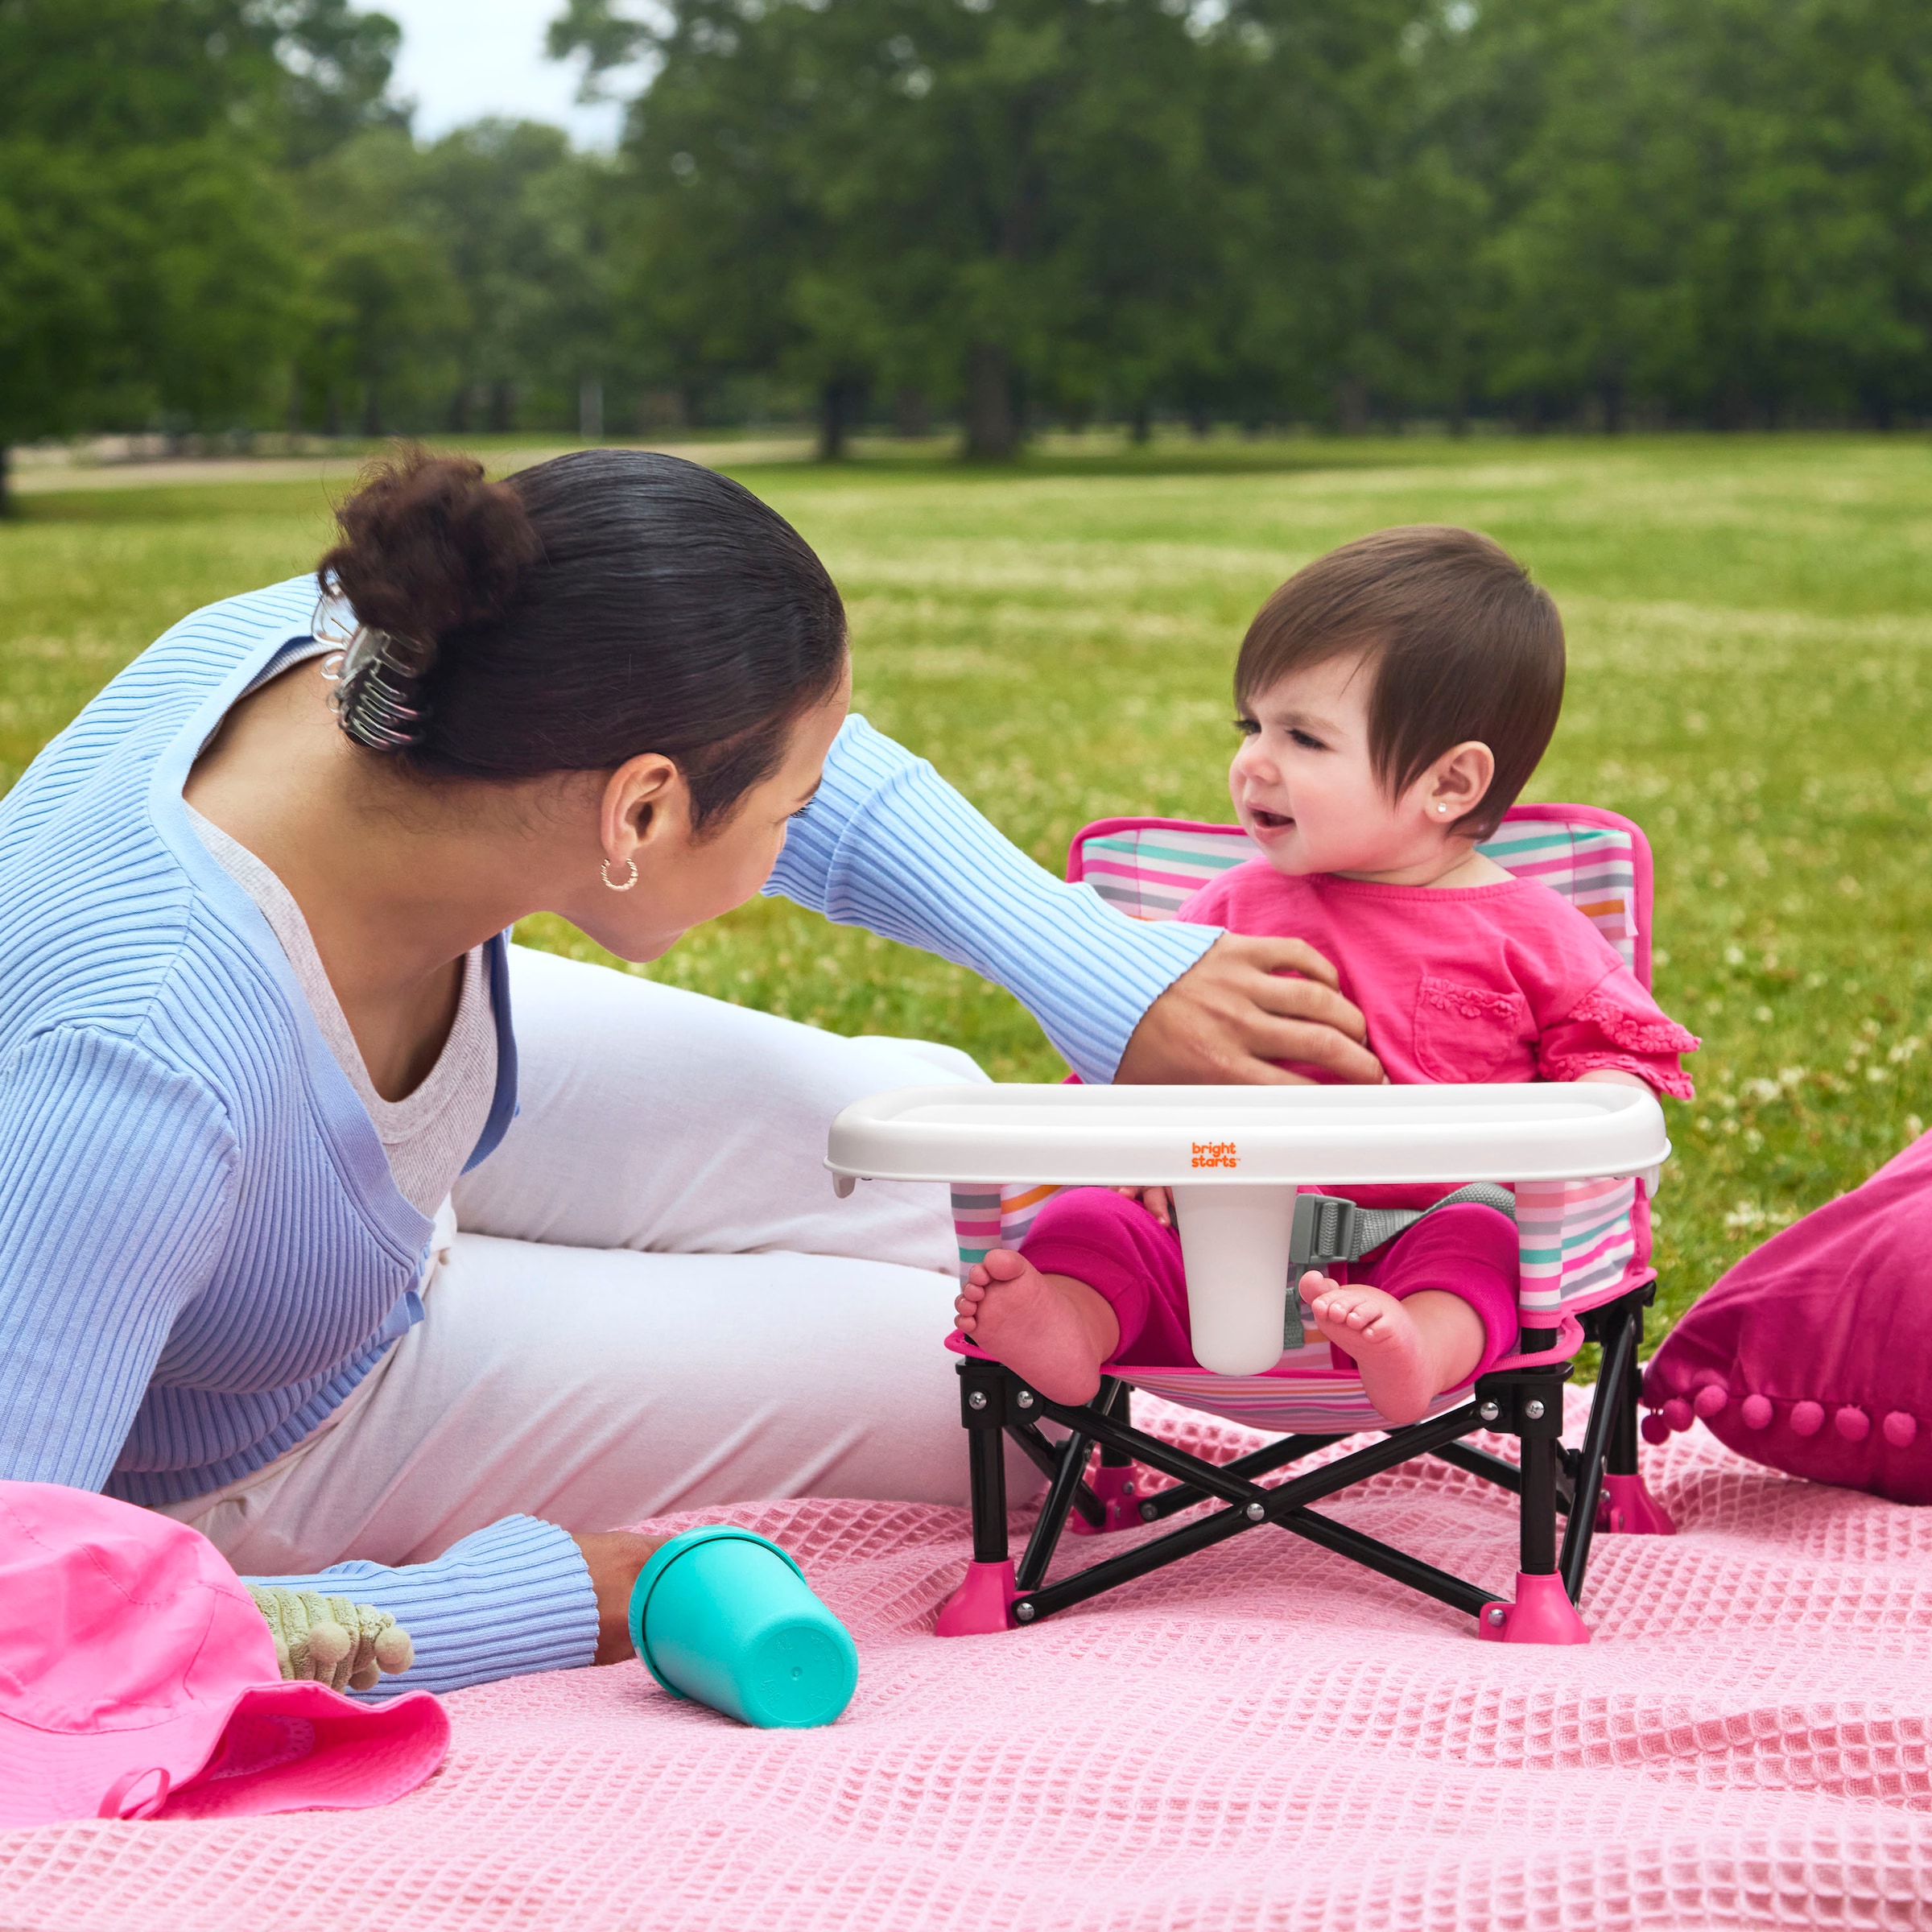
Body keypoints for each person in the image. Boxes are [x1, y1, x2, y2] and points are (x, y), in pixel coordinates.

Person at [0, 447, 1385, 1695]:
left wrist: (1105, 979)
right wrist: (547, 1599)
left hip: (317, 1160)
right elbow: (29, 1618)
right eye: (781, 808)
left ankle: (1418, 1301)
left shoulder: (372, 654)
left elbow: (750, 727)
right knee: (1012, 1406)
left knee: (952, 1132)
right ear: (644, 810)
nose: (803, 820)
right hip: (252, 1424)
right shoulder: (133, 1075)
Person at [954, 525, 1699, 1424]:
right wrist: (1134, 1148)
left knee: (1489, 1246)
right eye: (1252, 725)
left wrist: (1588, 1110)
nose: (1251, 763)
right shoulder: (1229, 909)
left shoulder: (1535, 930)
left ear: (1450, 784)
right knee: (1088, 1225)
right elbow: (1131, 1040)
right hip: (1219, 1232)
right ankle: (1068, 1327)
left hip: (1426, 1226)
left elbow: (1619, 1083)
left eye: (1303, 737)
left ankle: (1415, 1348)